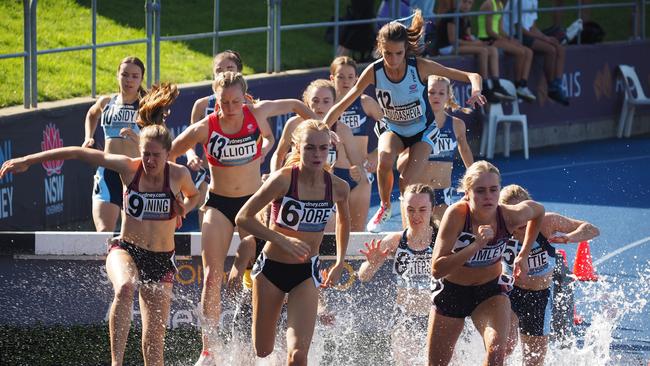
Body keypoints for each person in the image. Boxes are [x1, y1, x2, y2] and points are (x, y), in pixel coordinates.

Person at [1, 124, 200, 366]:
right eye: (145, 153)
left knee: (154, 345)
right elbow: (79, 153)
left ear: (168, 154)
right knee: (126, 286)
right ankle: (116, 363)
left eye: (155, 155)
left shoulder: (179, 175)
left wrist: (184, 209)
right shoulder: (129, 168)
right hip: (127, 249)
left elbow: (194, 196)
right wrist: (27, 160)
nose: (149, 160)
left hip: (161, 259)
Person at [168, 71, 316, 366]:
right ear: (215, 100)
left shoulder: (257, 112)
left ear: (245, 98)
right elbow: (168, 155)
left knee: (272, 272)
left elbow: (297, 107)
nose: (230, 107)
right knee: (211, 276)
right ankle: (208, 350)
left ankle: (275, 342)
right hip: (219, 204)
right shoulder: (206, 127)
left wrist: (321, 131)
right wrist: (179, 192)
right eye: (224, 101)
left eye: (236, 101)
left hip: (253, 204)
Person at [323, 9, 485, 233]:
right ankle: (384, 206)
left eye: (398, 53)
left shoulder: (419, 66)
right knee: (385, 159)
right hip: (394, 129)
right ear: (381, 49)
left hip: (422, 131)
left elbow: (470, 76)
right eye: (388, 54)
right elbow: (342, 104)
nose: (393, 60)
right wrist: (322, 127)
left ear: (405, 50)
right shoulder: (374, 71)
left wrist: (476, 90)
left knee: (408, 182)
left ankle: (416, 227)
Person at [235, 119, 350, 365]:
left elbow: (343, 222)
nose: (317, 154)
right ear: (297, 148)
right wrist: (281, 239)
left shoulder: (338, 187)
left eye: (323, 148)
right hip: (271, 271)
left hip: (306, 273)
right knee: (263, 350)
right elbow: (243, 217)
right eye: (310, 148)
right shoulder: (283, 180)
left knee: (298, 355)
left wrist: (340, 260)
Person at [427, 160, 545, 366]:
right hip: (452, 291)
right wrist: (476, 245)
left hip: (490, 292)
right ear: (467, 192)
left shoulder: (508, 216)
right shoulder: (456, 215)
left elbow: (538, 211)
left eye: (493, 190)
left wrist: (523, 254)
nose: (488, 196)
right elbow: (437, 269)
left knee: (497, 352)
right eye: (480, 191)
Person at [499, 184, 600, 366]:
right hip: (508, 292)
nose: (520, 219)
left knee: (534, 362)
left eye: (524, 212)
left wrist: (570, 237)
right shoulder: (498, 228)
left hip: (540, 298)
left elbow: (592, 229)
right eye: (514, 214)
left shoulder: (547, 223)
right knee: (505, 347)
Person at [357, 183, 438, 365]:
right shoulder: (395, 241)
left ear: (432, 208)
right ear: (404, 209)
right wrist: (372, 263)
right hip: (406, 319)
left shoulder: (441, 239)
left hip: (438, 317)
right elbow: (363, 276)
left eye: (422, 209)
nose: (416, 216)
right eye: (410, 210)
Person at [271, 79, 366, 231]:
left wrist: (357, 171)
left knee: (326, 235)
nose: (319, 106)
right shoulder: (294, 124)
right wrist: (274, 176)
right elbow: (278, 154)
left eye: (326, 101)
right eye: (315, 101)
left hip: (323, 193)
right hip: (294, 191)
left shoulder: (342, 130)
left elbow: (358, 165)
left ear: (335, 103)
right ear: (307, 102)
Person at [397, 75, 474, 227]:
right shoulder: (412, 125)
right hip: (416, 193)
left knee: (442, 238)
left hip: (442, 193)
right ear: (424, 95)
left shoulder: (457, 125)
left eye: (441, 93)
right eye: (431, 92)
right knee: (414, 240)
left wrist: (473, 178)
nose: (436, 97)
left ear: (448, 96)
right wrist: (421, 143)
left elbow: (464, 150)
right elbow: (400, 166)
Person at [83, 56, 148, 232]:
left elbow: (163, 139)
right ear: (117, 75)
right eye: (125, 74)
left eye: (135, 76)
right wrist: (89, 137)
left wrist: (139, 139)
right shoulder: (106, 102)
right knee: (103, 234)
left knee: (134, 236)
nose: (129, 80)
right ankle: (106, 260)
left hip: (136, 174)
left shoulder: (147, 106)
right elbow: (91, 114)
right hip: (107, 171)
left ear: (141, 79)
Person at [185, 50, 247, 227]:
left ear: (239, 72)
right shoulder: (202, 105)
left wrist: (263, 150)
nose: (224, 73)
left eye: (230, 68)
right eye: (219, 69)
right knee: (207, 227)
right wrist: (191, 155)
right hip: (209, 173)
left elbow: (267, 137)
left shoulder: (250, 105)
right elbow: (188, 140)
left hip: (240, 175)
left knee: (239, 232)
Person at [329, 56, 384, 227]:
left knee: (357, 230)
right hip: (332, 174)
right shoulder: (327, 105)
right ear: (332, 78)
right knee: (332, 231)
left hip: (359, 174)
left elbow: (391, 129)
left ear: (357, 79)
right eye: (340, 76)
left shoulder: (365, 103)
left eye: (350, 77)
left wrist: (376, 154)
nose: (346, 81)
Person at [436, 0, 515, 103]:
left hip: (458, 45)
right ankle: (485, 87)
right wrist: (475, 44)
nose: (466, 5)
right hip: (447, 47)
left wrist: (477, 41)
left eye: (469, 3)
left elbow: (468, 36)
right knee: (483, 51)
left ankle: (496, 84)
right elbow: (453, 40)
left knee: (492, 49)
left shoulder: (466, 16)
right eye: (464, 2)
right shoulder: (453, 16)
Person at [503, 0, 570, 105]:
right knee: (551, 50)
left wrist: (546, 38)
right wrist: (545, 39)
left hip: (526, 34)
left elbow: (532, 27)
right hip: (515, 36)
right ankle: (552, 86)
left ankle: (557, 83)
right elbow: (519, 29)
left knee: (559, 48)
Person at [478, 0, 537, 102]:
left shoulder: (499, 4)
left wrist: (509, 39)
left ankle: (523, 84)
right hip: (488, 39)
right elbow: (489, 30)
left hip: (496, 38)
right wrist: (503, 39)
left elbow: (500, 29)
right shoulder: (489, 4)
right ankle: (517, 84)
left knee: (528, 52)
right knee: (521, 52)